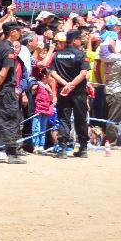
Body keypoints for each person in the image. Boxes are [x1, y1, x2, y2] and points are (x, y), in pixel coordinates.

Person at [0, 23, 25, 164]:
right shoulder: (8, 49)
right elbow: (4, 72)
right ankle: (12, 154)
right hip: (5, 89)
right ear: (13, 32)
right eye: (19, 31)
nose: (20, 34)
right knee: (10, 119)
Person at [50, 30, 91, 158]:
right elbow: (83, 73)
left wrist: (66, 85)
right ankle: (83, 148)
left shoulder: (58, 54)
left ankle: (62, 149)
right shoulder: (81, 55)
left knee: (63, 119)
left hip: (63, 92)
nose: (81, 41)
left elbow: (53, 73)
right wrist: (72, 85)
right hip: (78, 92)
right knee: (81, 119)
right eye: (80, 38)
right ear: (74, 40)